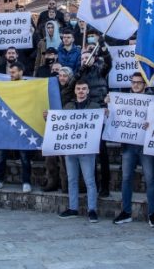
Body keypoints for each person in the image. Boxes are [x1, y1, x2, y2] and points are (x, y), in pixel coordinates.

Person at [112, 72, 154, 228]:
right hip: (128, 146)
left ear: (145, 84)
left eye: (139, 82)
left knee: (150, 179)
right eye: (133, 82)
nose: (136, 85)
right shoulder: (122, 100)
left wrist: (151, 123)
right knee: (126, 178)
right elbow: (115, 118)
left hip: (146, 146)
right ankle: (126, 212)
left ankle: (153, 213)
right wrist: (109, 105)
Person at [0, 62, 35, 192]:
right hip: (6, 125)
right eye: (10, 72)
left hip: (22, 125)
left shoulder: (29, 86)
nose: (11, 75)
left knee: (24, 155)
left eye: (13, 72)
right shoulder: (5, 86)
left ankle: (26, 181)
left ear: (21, 72)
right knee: (1, 155)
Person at [58, 80, 100, 223]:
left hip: (87, 149)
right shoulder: (68, 106)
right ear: (75, 91)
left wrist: (105, 114)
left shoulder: (95, 107)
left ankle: (92, 210)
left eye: (84, 88)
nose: (81, 91)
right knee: (72, 179)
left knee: (89, 180)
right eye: (78, 89)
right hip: (70, 148)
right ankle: (73, 208)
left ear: (88, 91)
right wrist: (49, 118)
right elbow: (60, 124)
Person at [75, 44, 112, 197]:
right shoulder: (80, 73)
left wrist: (103, 49)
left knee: (102, 151)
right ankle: (93, 185)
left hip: (100, 112)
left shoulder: (100, 70)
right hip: (86, 114)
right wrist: (79, 74)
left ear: (93, 59)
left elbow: (109, 63)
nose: (85, 60)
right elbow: (73, 85)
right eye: (83, 58)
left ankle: (105, 186)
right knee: (91, 152)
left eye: (87, 57)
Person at [42, 67, 76, 192]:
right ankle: (52, 182)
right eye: (60, 75)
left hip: (66, 127)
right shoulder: (52, 89)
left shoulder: (73, 91)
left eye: (65, 76)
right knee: (50, 156)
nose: (62, 78)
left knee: (63, 157)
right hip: (52, 125)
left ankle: (65, 184)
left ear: (70, 77)